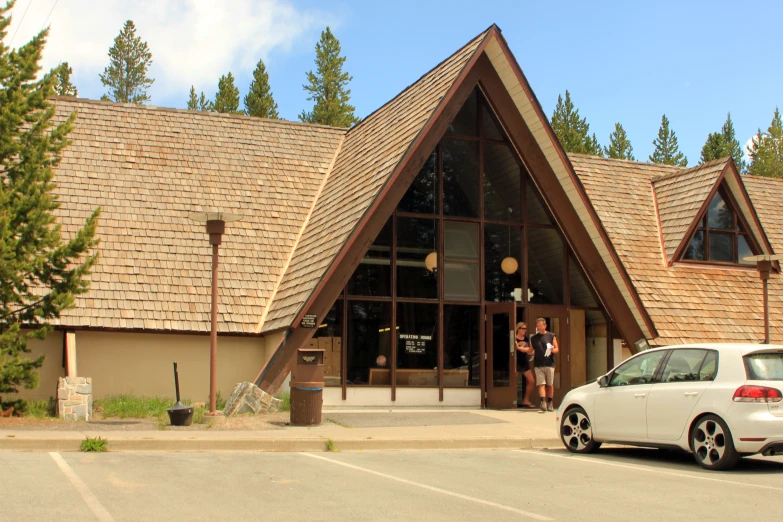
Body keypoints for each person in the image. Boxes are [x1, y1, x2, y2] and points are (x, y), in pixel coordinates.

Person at [531, 317, 559, 412]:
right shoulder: (534, 338)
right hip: (538, 364)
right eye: (537, 326)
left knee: (550, 384)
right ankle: (543, 402)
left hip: (549, 363)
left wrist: (552, 350)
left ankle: (550, 402)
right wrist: (519, 348)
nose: (538, 327)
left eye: (540, 325)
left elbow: (556, 348)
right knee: (541, 384)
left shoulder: (551, 336)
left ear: (545, 326)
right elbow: (530, 349)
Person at [514, 322, 535, 408]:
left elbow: (529, 350)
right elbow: (513, 349)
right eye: (523, 328)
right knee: (514, 381)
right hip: (515, 361)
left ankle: (525, 400)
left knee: (531, 381)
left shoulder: (526, 339)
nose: (525, 330)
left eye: (526, 329)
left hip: (524, 361)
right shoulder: (514, 338)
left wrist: (531, 353)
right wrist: (519, 347)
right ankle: (512, 400)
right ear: (518, 329)